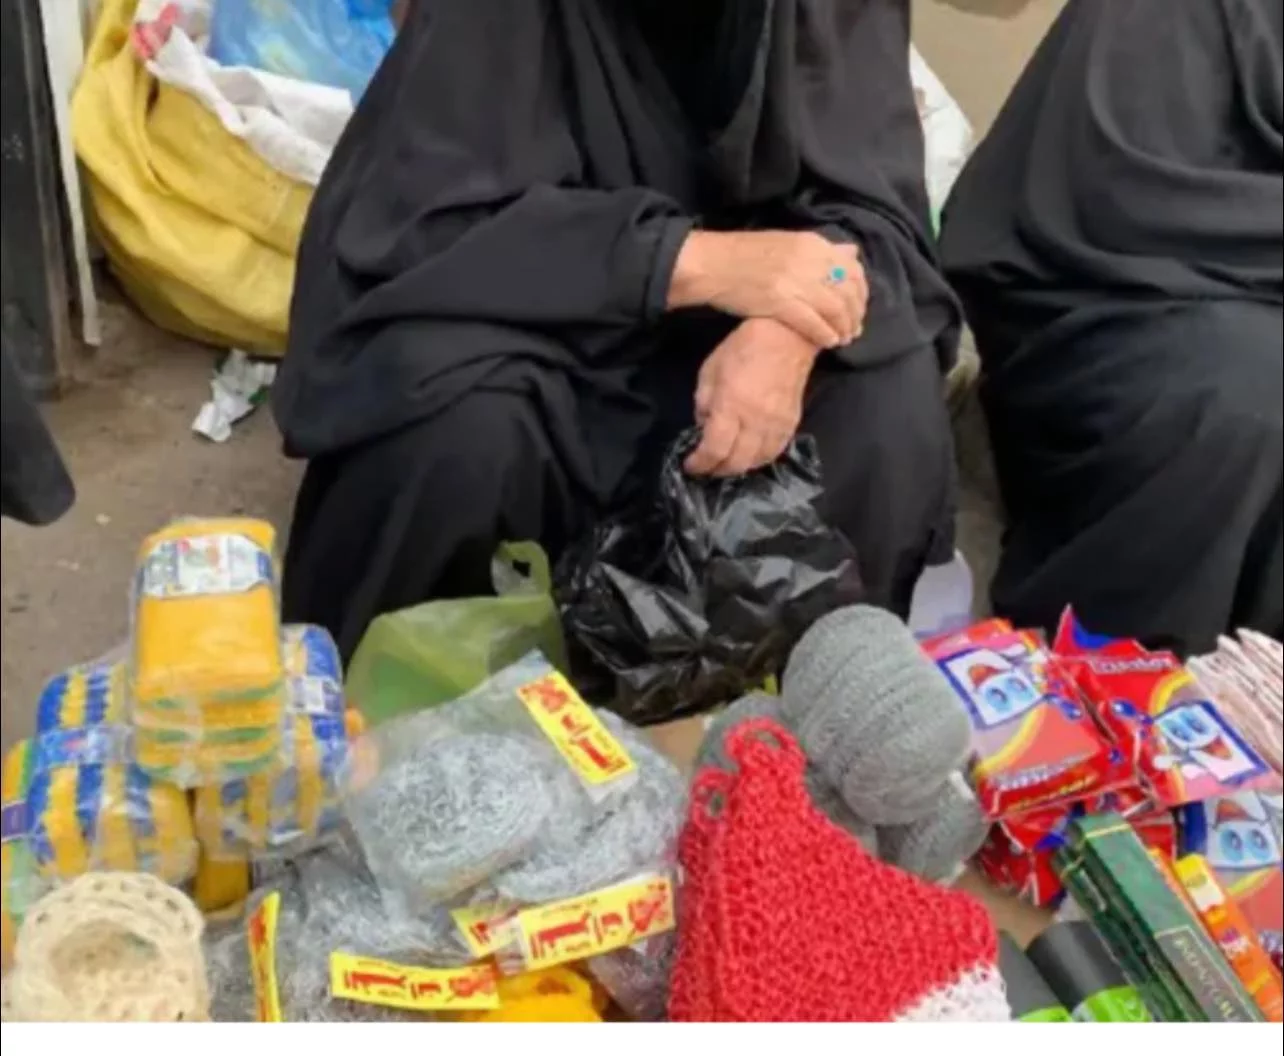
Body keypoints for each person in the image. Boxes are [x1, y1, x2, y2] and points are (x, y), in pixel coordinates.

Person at [273, 0, 961, 661]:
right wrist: (690, 263)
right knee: (448, 425)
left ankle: (797, 715)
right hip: (542, 318)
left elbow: (878, 223)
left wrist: (794, 325)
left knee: (888, 410)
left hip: (731, 349)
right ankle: (364, 722)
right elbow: (431, 224)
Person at [940, 0, 1282, 655]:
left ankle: (1250, 704)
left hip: (1245, 297)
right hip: (1096, 293)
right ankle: (1101, 688)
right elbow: (1123, 195)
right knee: (1244, 399)